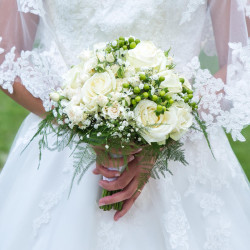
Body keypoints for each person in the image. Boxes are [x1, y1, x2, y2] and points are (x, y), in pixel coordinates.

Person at [0, 0, 250, 249]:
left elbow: (242, 59)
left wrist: (167, 129)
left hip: (183, 150)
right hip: (63, 148)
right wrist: (81, 121)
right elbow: (6, 58)